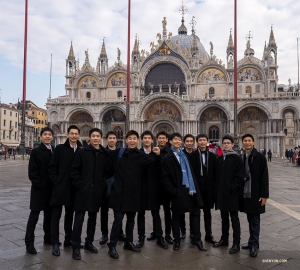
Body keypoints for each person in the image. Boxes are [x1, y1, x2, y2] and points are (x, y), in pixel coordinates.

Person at [107, 130, 160, 259]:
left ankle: (128, 242)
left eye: (134, 139)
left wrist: (158, 155)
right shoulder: (120, 153)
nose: (131, 141)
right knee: (118, 219)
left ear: (137, 141)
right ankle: (112, 245)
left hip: (133, 193)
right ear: (126, 140)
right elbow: (107, 160)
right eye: (129, 138)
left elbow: (154, 166)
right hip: (119, 193)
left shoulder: (141, 155)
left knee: (131, 220)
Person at [70, 128, 112, 260]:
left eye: (97, 136)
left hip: (96, 191)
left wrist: (102, 184)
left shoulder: (104, 153)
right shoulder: (82, 152)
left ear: (101, 138)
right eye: (93, 136)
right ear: (89, 137)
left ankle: (89, 242)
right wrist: (79, 185)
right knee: (78, 220)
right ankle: (76, 246)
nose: (95, 138)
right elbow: (74, 170)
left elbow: (107, 171)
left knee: (93, 220)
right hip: (83, 191)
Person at [161, 132, 205, 251]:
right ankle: (177, 240)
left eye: (179, 139)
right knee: (176, 216)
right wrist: (173, 192)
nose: (177, 141)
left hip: (191, 189)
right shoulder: (167, 158)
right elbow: (164, 177)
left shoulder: (184, 155)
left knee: (195, 214)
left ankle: (197, 239)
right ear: (170, 141)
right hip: (178, 191)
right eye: (175, 139)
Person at [48, 125, 83, 256]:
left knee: (70, 216)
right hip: (60, 187)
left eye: (76, 133)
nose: (74, 136)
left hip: (74, 189)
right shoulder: (60, 149)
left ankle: (68, 240)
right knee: (56, 216)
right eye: (71, 133)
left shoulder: (82, 150)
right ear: (67, 135)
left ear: (79, 135)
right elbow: (52, 167)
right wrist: (56, 181)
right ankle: (55, 243)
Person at [136, 130, 168, 249]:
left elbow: (161, 170)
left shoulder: (156, 153)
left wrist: (159, 156)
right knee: (141, 214)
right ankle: (141, 238)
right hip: (142, 189)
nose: (147, 140)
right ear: (142, 140)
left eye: (149, 138)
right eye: (145, 138)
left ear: (152, 140)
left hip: (154, 189)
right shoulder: (138, 153)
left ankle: (160, 238)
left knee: (156, 214)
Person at [25, 127, 54, 254]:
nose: (47, 136)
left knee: (49, 216)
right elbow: (32, 172)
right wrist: (40, 186)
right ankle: (29, 243)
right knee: (34, 217)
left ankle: (48, 238)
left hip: (51, 189)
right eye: (45, 134)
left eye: (49, 134)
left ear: (52, 137)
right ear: (41, 137)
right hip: (39, 190)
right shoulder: (36, 151)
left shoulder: (54, 150)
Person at [213, 134, 244, 254]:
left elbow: (240, 177)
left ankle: (236, 243)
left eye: (228, 143)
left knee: (234, 219)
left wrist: (232, 188)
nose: (226, 145)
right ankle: (224, 239)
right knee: (223, 218)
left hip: (232, 194)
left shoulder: (237, 158)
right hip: (222, 194)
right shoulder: (220, 158)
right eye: (224, 143)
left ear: (232, 145)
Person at [240, 134, 269, 257]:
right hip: (246, 194)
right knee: (249, 218)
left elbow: (264, 177)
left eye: (249, 141)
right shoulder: (242, 157)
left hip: (256, 193)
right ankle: (252, 242)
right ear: (242, 143)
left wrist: (264, 195)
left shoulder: (260, 157)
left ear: (253, 143)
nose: (247, 143)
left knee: (255, 220)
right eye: (245, 141)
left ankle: (254, 245)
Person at [189, 134, 217, 245]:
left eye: (204, 140)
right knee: (195, 213)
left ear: (207, 141)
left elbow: (215, 173)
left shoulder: (213, 156)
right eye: (200, 140)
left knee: (207, 213)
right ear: (197, 142)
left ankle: (208, 235)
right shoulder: (192, 156)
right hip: (197, 188)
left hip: (208, 189)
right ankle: (196, 236)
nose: (202, 142)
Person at [99, 131, 126, 245]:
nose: (111, 140)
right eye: (109, 138)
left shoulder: (121, 152)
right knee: (104, 211)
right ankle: (104, 234)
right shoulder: (102, 152)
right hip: (104, 184)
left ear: (117, 140)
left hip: (117, 184)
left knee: (117, 210)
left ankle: (119, 232)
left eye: (114, 138)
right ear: (106, 139)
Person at [147, 131, 173, 245]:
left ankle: (167, 234)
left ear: (167, 140)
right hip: (155, 187)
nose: (161, 140)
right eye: (159, 138)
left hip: (166, 187)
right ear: (156, 139)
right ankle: (157, 233)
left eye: (163, 138)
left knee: (167, 212)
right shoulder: (153, 151)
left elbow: (168, 169)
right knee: (155, 212)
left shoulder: (171, 152)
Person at [180, 134, 195, 239]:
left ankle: (193, 232)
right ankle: (183, 231)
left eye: (191, 141)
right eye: (187, 141)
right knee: (181, 211)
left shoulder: (196, 154)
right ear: (184, 143)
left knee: (194, 211)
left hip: (193, 187)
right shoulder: (180, 154)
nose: (189, 143)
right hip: (183, 186)